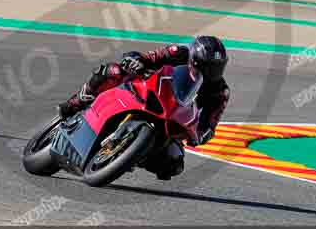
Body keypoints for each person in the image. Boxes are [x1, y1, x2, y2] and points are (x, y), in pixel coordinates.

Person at [57, 35, 230, 180]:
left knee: (173, 165)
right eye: (206, 67)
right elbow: (151, 57)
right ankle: (76, 102)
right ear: (194, 59)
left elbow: (210, 123)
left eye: (216, 68)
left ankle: (132, 155)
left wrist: (200, 135)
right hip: (146, 89)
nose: (210, 72)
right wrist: (135, 60)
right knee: (114, 71)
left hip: (173, 116)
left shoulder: (220, 92)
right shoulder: (178, 53)